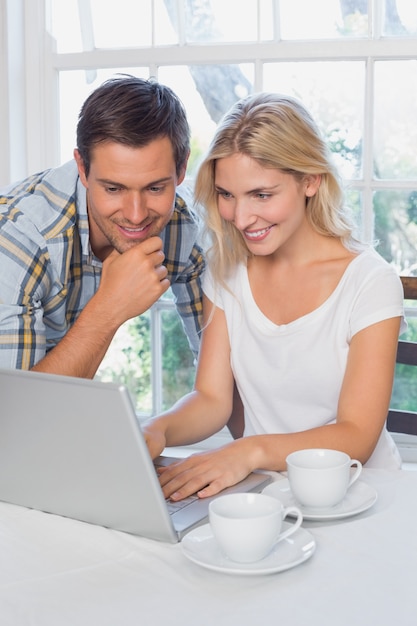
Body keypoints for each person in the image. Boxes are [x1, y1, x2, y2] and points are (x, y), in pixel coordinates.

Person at [144, 92, 407, 502]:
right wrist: (155, 429)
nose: (242, 218)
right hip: (265, 493)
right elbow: (212, 399)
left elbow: (357, 435)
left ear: (310, 180)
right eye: (227, 195)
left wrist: (249, 450)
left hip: (362, 496)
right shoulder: (227, 267)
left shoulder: (369, 282)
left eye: (262, 195)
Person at [0, 75, 204, 377]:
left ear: (181, 169)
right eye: (113, 189)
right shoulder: (22, 238)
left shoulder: (183, 226)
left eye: (155, 188)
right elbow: (12, 414)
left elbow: (221, 376)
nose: (136, 216)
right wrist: (109, 307)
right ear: (82, 168)